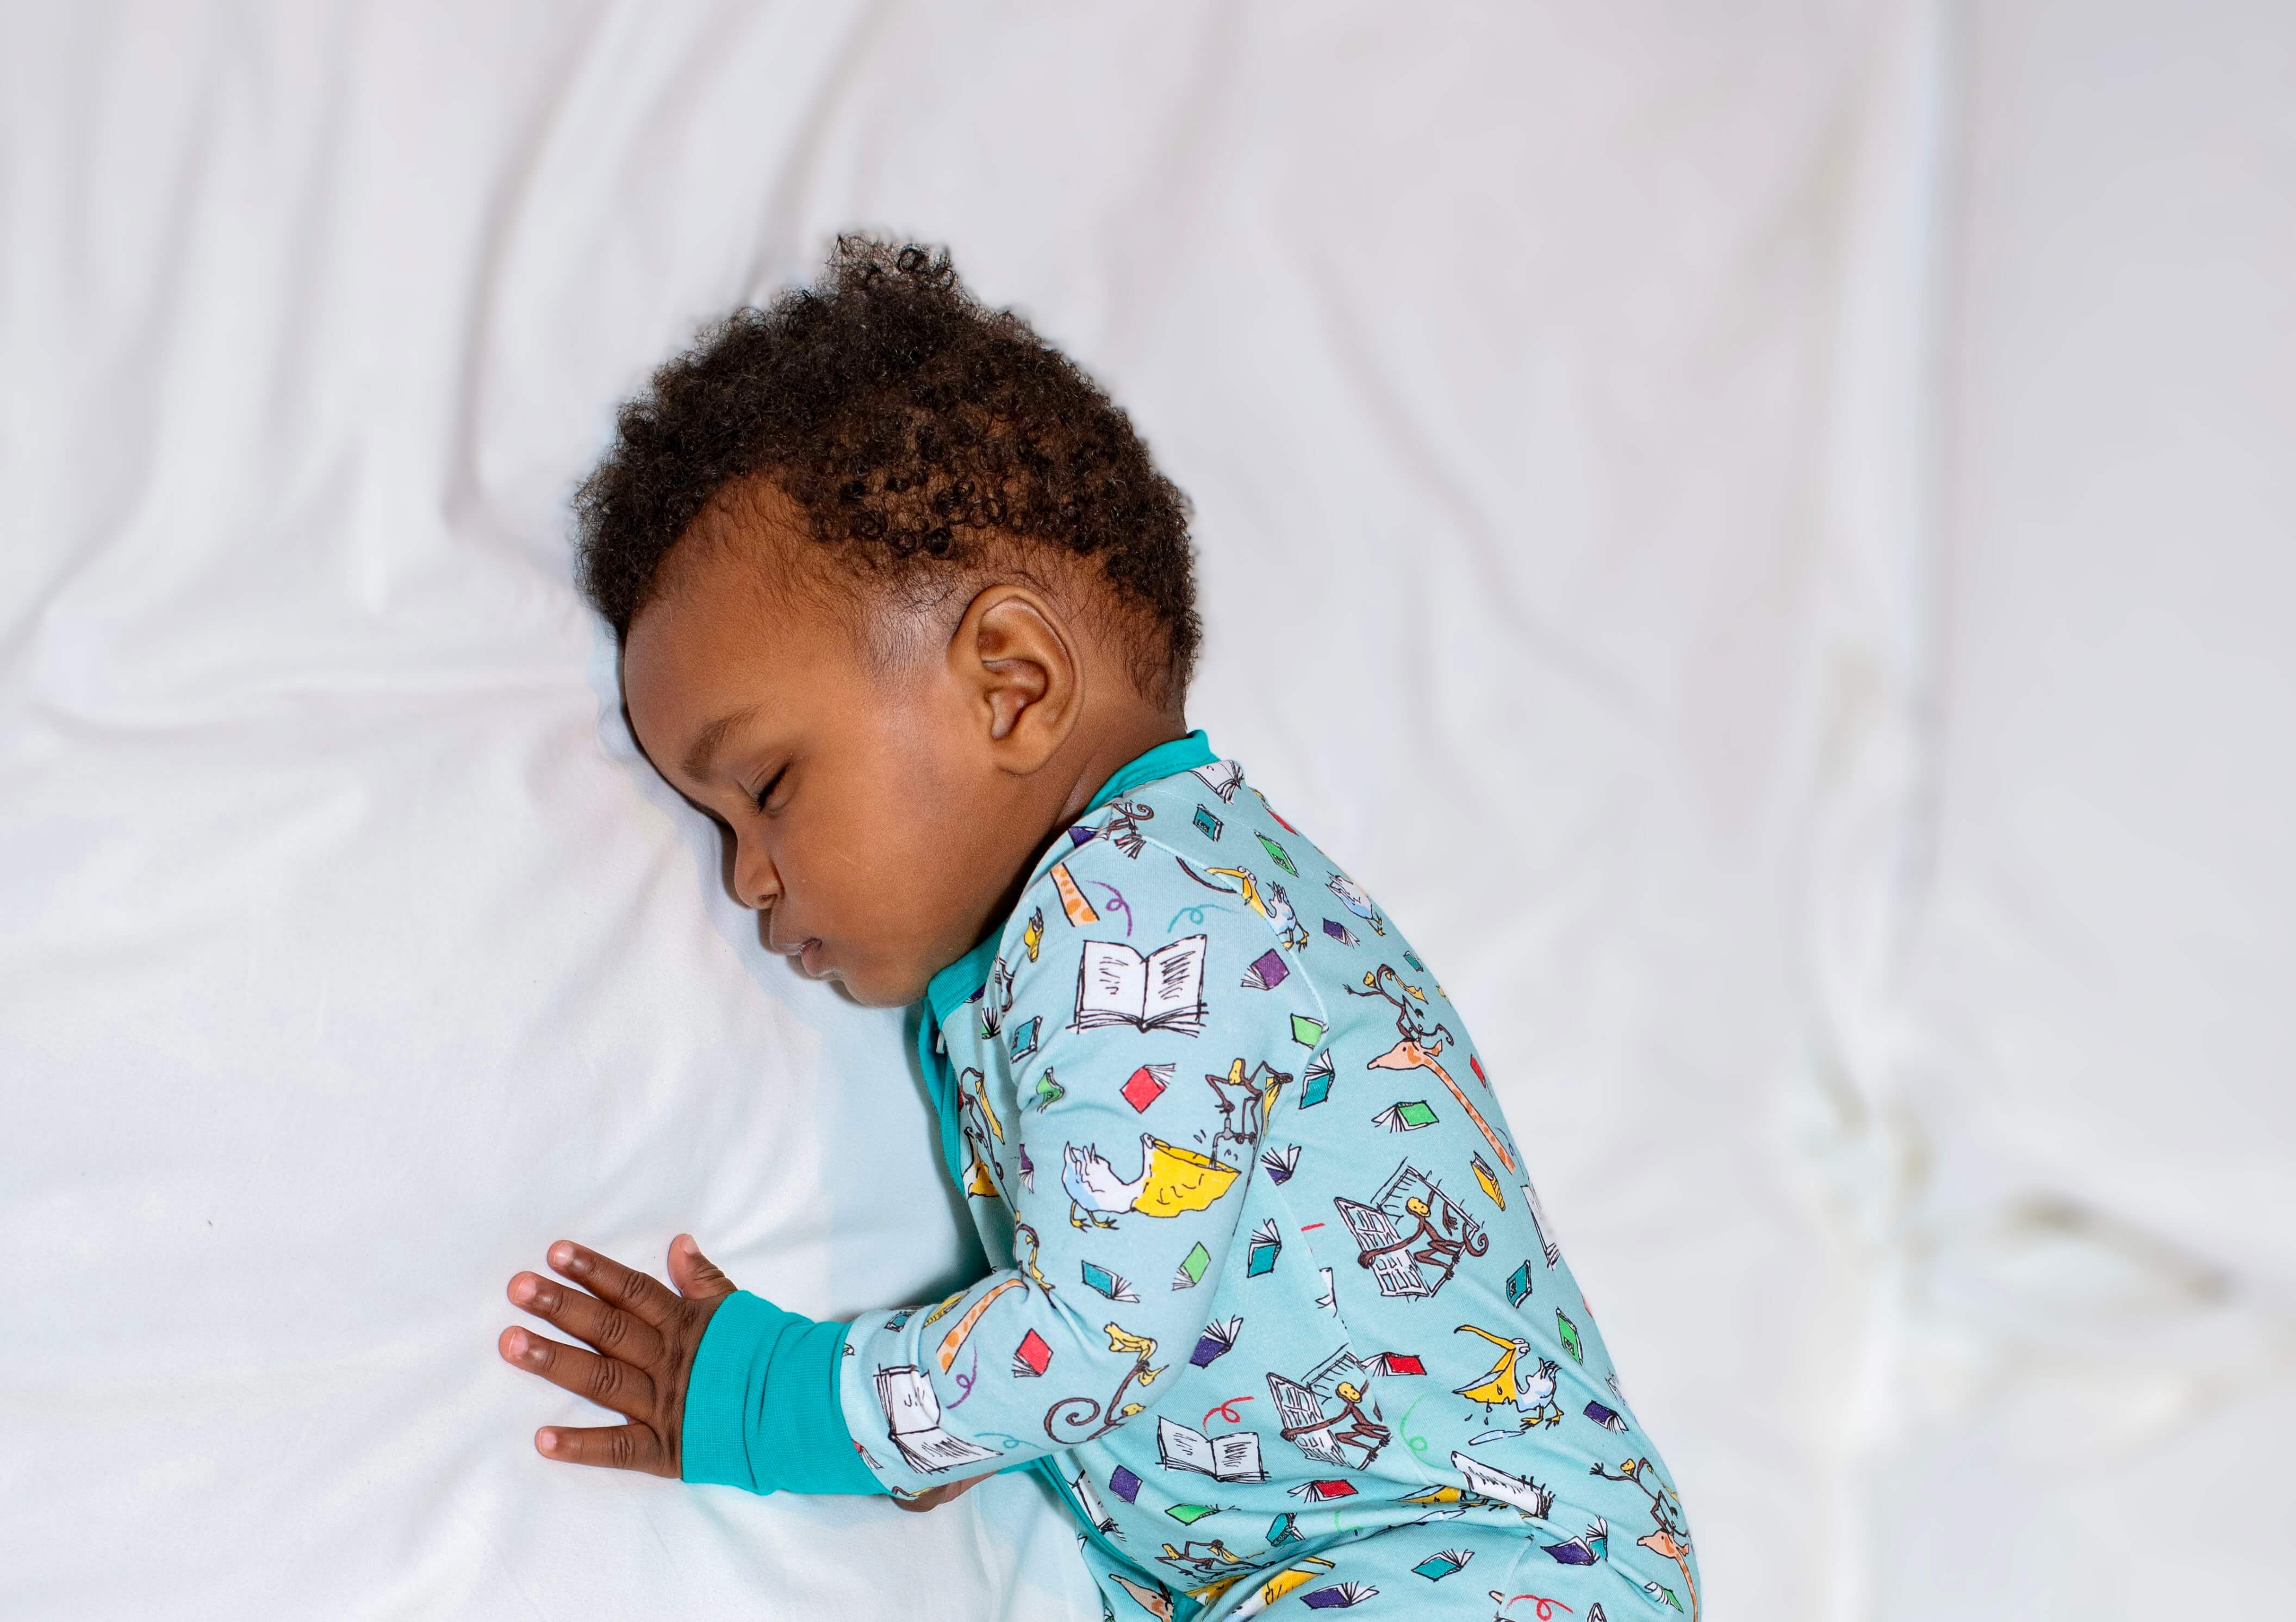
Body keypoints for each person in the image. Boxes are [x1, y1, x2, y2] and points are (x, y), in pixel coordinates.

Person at [495, 238, 1698, 1621]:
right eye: (711, 825)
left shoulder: (1141, 912)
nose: (747, 879)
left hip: (1481, 1564)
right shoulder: (1127, 910)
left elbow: (1090, 1340)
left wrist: (782, 1400)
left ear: (1010, 686)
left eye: (766, 789)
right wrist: (957, 1425)